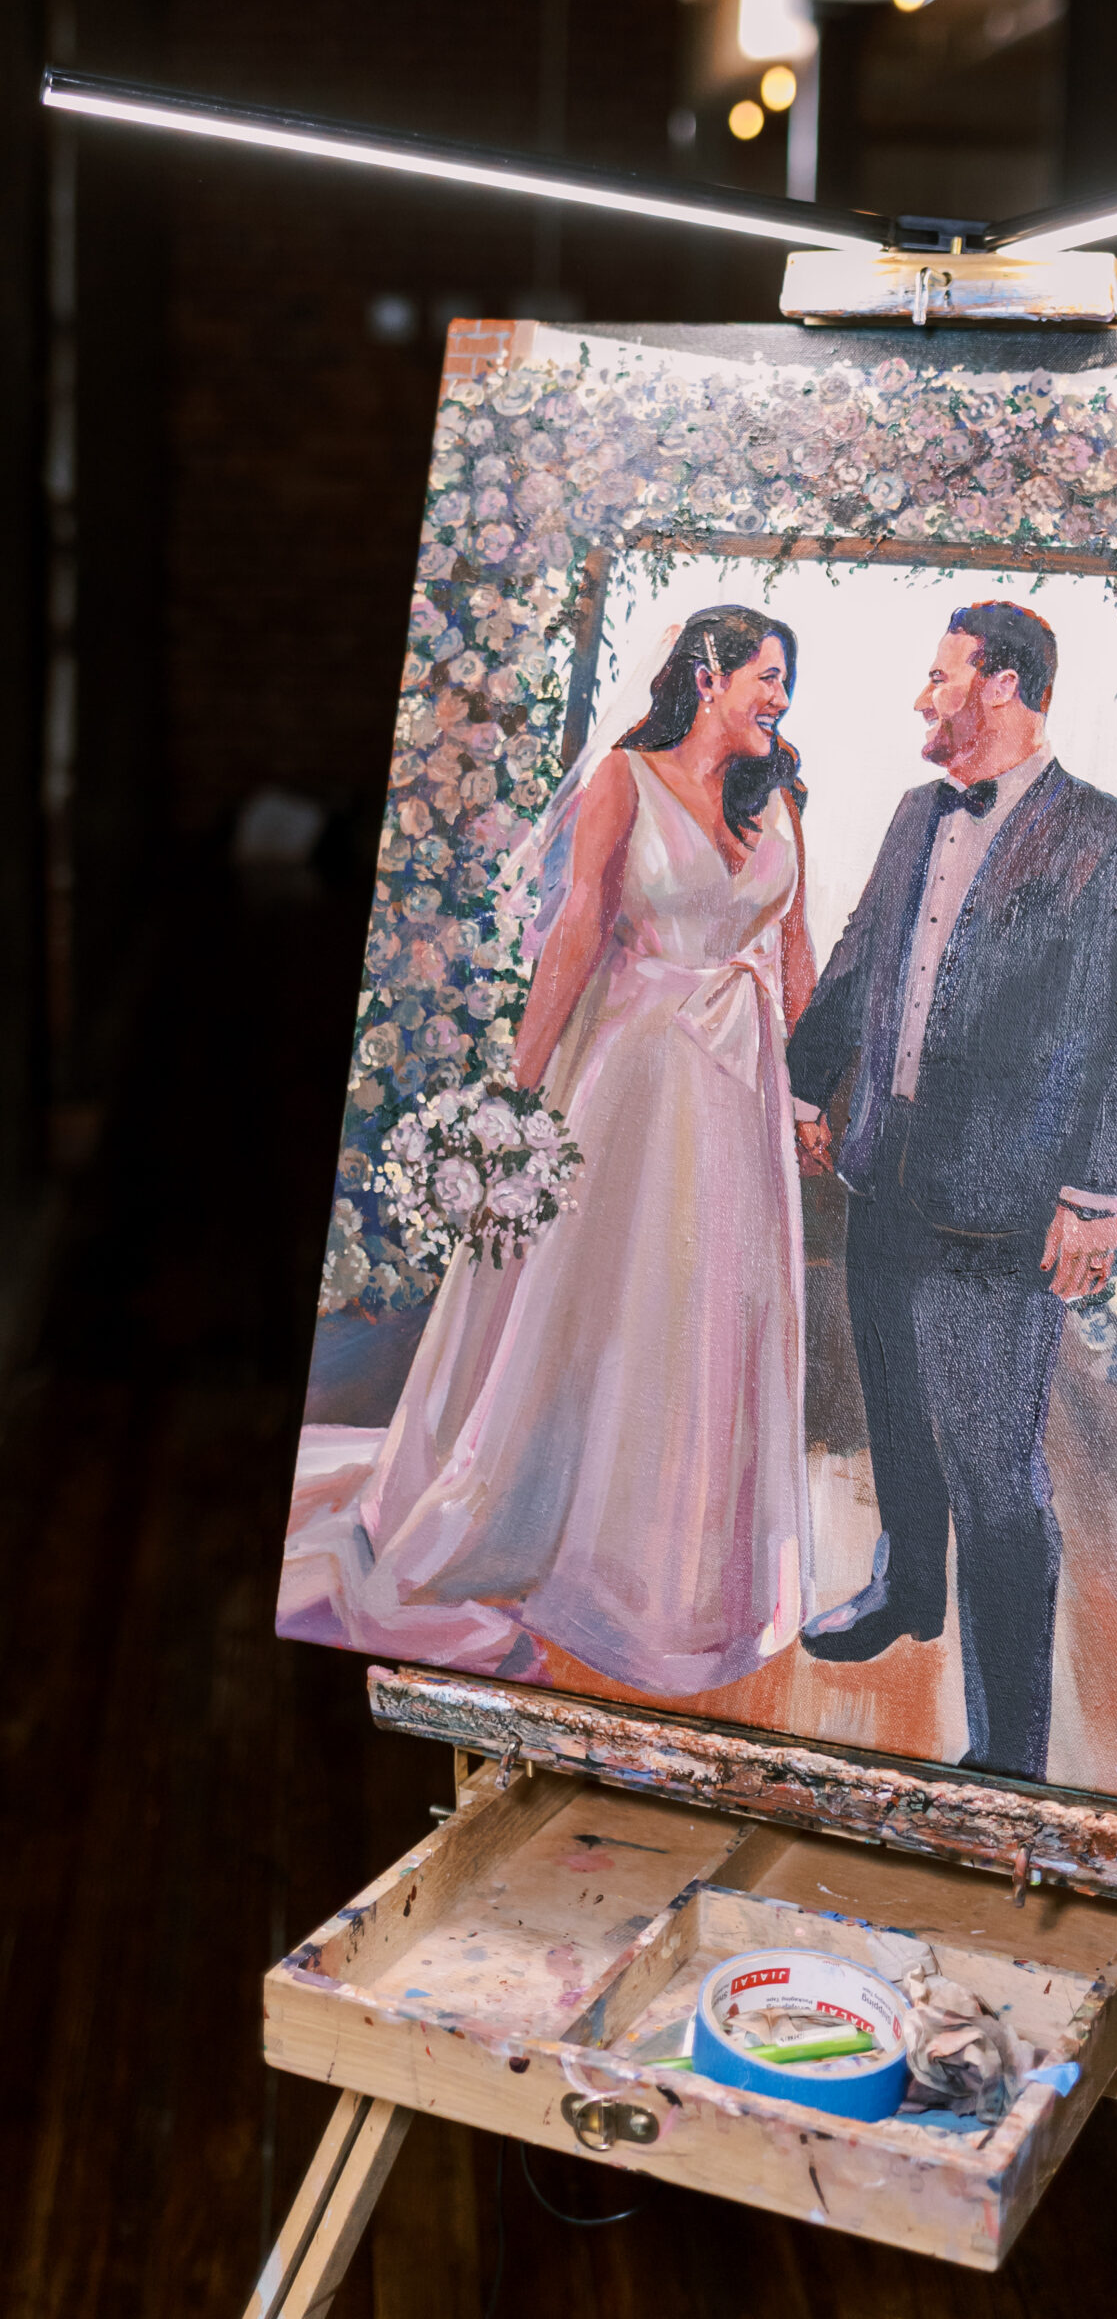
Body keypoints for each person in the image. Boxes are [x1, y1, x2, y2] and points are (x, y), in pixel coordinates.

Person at [352, 611, 818, 1693]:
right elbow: (577, 930)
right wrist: (519, 1090)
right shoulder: (624, 777)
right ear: (708, 677)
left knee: (710, 1316)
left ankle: (681, 1573)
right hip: (632, 1082)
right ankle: (557, 1536)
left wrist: (815, 1100)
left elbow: (796, 952)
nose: (780, 700)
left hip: (739, 1091)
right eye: (767, 678)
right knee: (609, 1303)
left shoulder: (781, 794)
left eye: (785, 684)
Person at [786, 603, 1117, 1781]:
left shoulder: (1111, 840)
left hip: (1003, 1210)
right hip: (885, 1174)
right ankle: (908, 1591)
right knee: (898, 1414)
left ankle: (1010, 1751)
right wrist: (810, 1091)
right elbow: (860, 953)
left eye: (940, 676)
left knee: (997, 1480)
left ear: (1000, 686)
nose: (922, 696)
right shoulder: (914, 814)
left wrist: (1098, 1194)